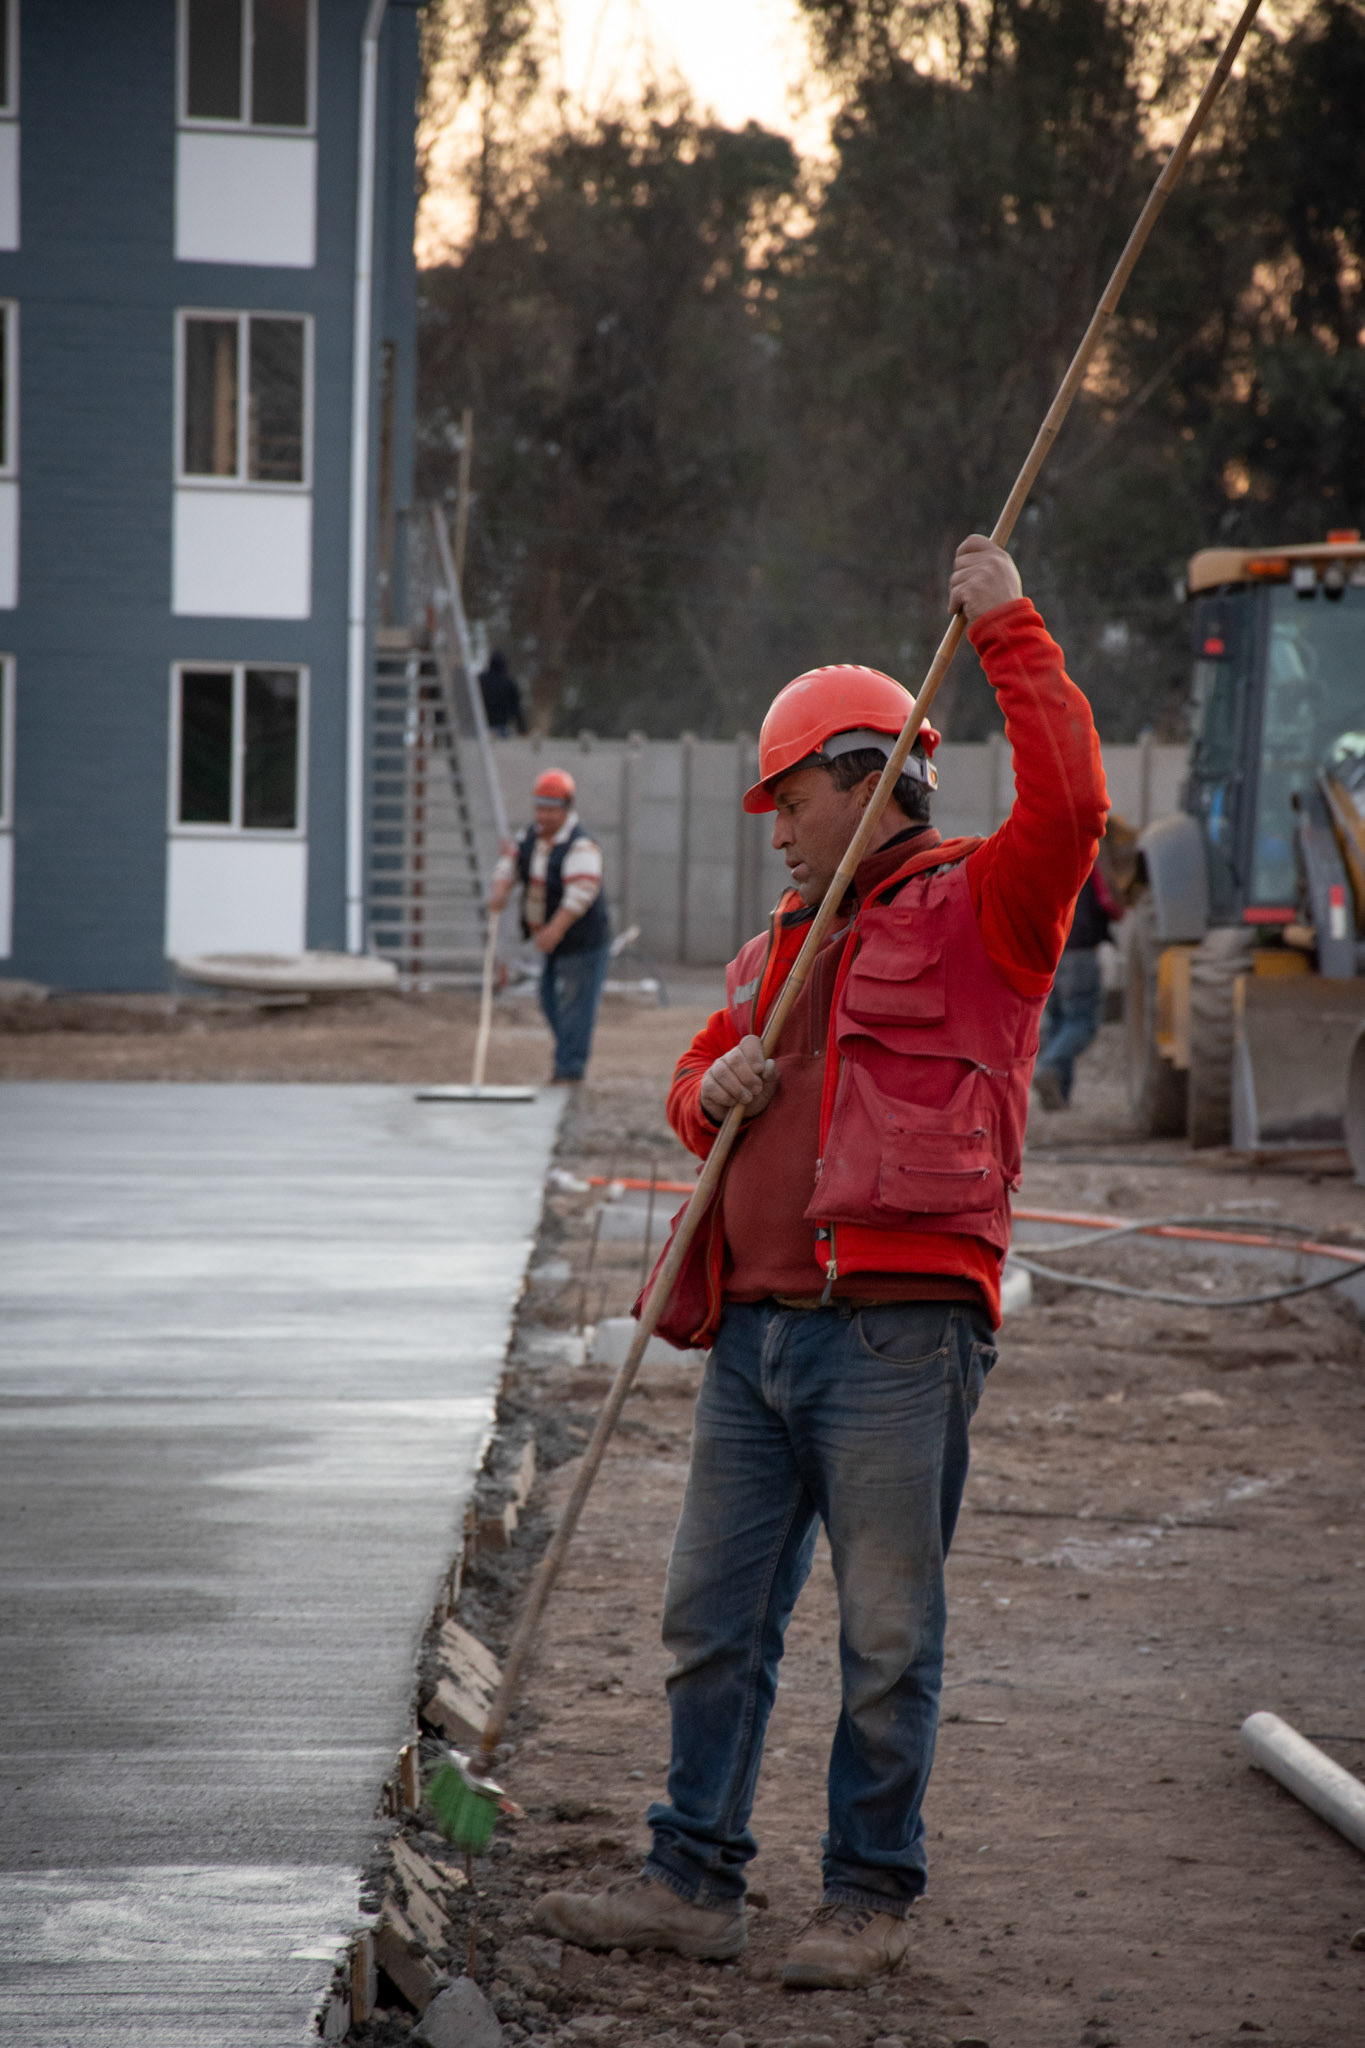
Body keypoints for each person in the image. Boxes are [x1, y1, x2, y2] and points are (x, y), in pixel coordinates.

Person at [533, 536, 1108, 1986]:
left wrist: (1009, 629)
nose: (777, 830)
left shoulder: (988, 910)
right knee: (709, 1622)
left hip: (897, 1341)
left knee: (886, 1634)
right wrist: (704, 1093)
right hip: (753, 1342)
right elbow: (693, 1079)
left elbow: (1074, 803)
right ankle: (691, 1882)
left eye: (790, 799)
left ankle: (867, 1899)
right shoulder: (768, 952)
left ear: (873, 775)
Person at [488, 768, 610, 1083]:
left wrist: (555, 929)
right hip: (552, 942)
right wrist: (501, 890)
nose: (544, 816)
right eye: (540, 808)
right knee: (549, 999)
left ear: (566, 809)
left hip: (581, 942)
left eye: (551, 809)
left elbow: (580, 893)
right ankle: (567, 1058)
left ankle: (569, 1069)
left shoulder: (580, 845)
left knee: (575, 1006)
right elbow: (511, 864)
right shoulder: (530, 837)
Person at [1031, 822, 1126, 1110]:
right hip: (1080, 953)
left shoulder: (1043, 859)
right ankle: (1047, 1067)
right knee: (1082, 1023)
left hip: (1050, 954)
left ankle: (1059, 1096)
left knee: (1058, 1022)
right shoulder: (1089, 859)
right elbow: (1109, 904)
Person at [478, 649, 527, 736]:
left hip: (482, 726)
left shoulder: (481, 680)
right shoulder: (509, 683)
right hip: (501, 727)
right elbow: (516, 708)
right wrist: (522, 728)